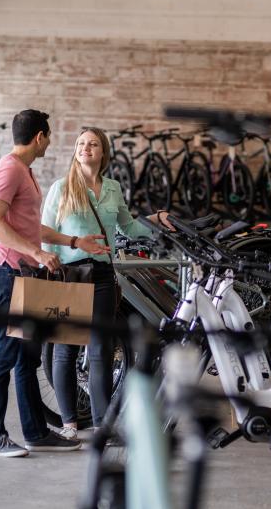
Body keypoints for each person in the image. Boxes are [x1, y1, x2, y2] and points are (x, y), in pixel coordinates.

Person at [0, 110, 109, 457]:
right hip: (4, 273)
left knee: (27, 359)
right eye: (49, 136)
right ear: (39, 137)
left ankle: (36, 433)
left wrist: (73, 242)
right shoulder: (9, 169)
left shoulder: (25, 172)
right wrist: (36, 252)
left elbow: (30, 227)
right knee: (4, 356)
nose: (51, 142)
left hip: (21, 274)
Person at [41, 127, 174, 438]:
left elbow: (127, 226)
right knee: (66, 350)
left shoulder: (112, 188)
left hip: (102, 275)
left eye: (93, 144)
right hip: (70, 275)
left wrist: (153, 220)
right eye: (81, 143)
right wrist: (54, 266)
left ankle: (102, 423)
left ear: (103, 153)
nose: (86, 148)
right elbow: (44, 233)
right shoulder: (61, 188)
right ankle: (70, 423)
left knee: (100, 349)